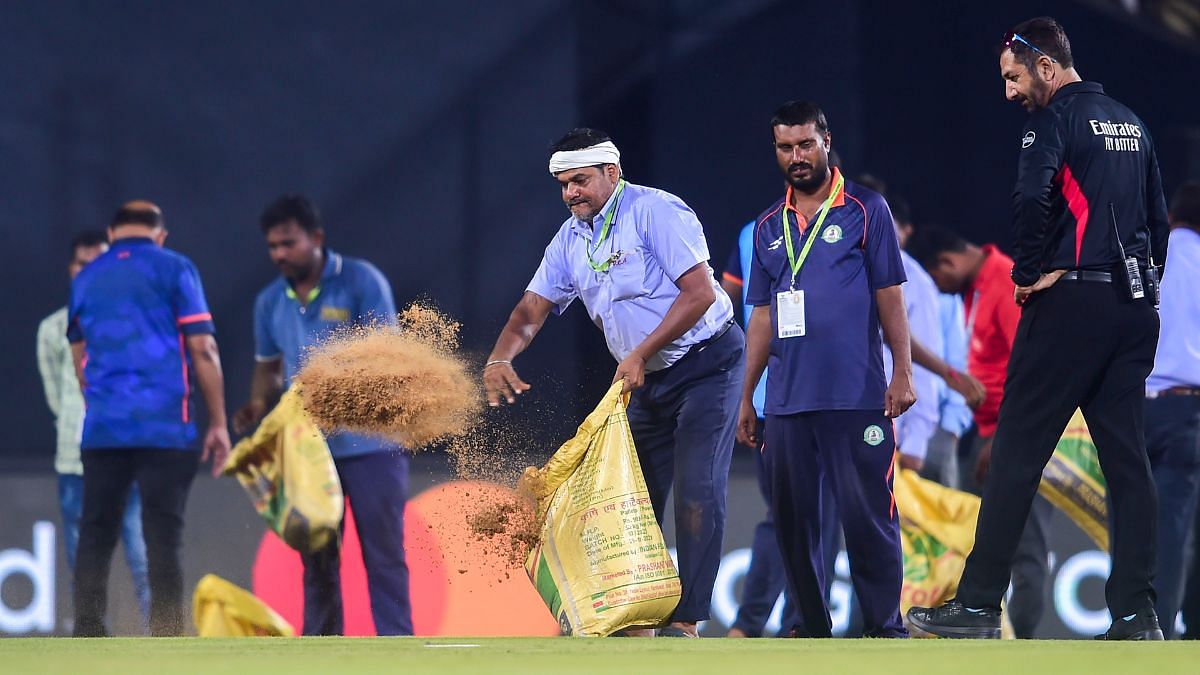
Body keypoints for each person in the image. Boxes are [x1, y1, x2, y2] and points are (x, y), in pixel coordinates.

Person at [908, 17, 1169, 641]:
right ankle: (1137, 614)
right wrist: (1136, 285)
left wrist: (1030, 272)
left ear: (1046, 67)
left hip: (1069, 307)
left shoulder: (1052, 122)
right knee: (1129, 465)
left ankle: (975, 606)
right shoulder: (1132, 122)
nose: (1009, 93)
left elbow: (1032, 200)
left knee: (1016, 457)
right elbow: (1157, 224)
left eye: (1013, 77)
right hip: (1134, 311)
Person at [483, 128, 744, 638]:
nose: (570, 193)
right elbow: (531, 310)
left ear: (612, 173)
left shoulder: (657, 212)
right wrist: (499, 357)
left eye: (579, 181)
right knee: (631, 498)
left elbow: (700, 295)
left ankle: (687, 619)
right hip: (643, 380)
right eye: (562, 184)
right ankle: (637, 614)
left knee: (696, 490)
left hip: (707, 364)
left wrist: (641, 352)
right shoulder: (569, 238)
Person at [737, 100, 914, 639]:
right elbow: (762, 317)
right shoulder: (768, 225)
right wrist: (747, 397)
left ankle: (884, 626)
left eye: (805, 144)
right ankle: (810, 626)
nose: (796, 156)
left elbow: (890, 296)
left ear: (826, 141)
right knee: (794, 526)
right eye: (785, 147)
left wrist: (902, 370)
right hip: (788, 401)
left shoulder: (866, 209)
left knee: (868, 520)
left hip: (857, 394)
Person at [233, 195, 412, 636]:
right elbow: (268, 367)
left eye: (288, 243)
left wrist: (335, 389)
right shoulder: (268, 301)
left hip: (373, 444)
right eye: (272, 246)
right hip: (311, 451)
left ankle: (398, 648)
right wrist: (257, 405)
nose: (279, 254)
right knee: (317, 561)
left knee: (384, 555)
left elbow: (387, 355)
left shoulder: (360, 280)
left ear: (316, 238)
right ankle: (321, 651)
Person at [69, 201, 231, 637]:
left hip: (104, 429)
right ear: (160, 235)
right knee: (163, 539)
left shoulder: (86, 276)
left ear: (112, 231)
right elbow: (203, 349)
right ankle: (166, 635)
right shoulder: (176, 268)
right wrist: (218, 422)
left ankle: (86, 634)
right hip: (165, 427)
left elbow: (79, 357)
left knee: (95, 533)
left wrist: (102, 402)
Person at [906, 225, 1055, 637]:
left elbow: (1033, 366)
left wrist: (1000, 437)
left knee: (1025, 546)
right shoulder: (978, 287)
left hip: (1020, 437)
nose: (938, 288)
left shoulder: (1006, 280)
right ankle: (984, 628)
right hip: (994, 436)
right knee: (989, 542)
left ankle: (1023, 641)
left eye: (936, 280)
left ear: (946, 262)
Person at [37, 231, 151, 625]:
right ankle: (88, 635)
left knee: (140, 548)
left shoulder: (130, 323)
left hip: (124, 453)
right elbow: (56, 394)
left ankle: (166, 636)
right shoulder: (53, 329)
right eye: (83, 264)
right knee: (80, 553)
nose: (91, 272)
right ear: (71, 270)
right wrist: (78, 423)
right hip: (75, 457)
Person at [720, 222, 799, 638]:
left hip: (773, 397)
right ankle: (792, 625)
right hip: (784, 399)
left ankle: (757, 625)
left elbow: (721, 303)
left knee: (788, 515)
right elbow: (723, 301)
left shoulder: (754, 229)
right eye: (786, 148)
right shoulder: (756, 231)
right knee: (805, 514)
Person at [1144, 180, 1200, 638]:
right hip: (1188, 411)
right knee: (1177, 529)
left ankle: (1129, 622)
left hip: (1134, 410)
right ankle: (1164, 632)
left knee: (1132, 522)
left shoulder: (1144, 256)